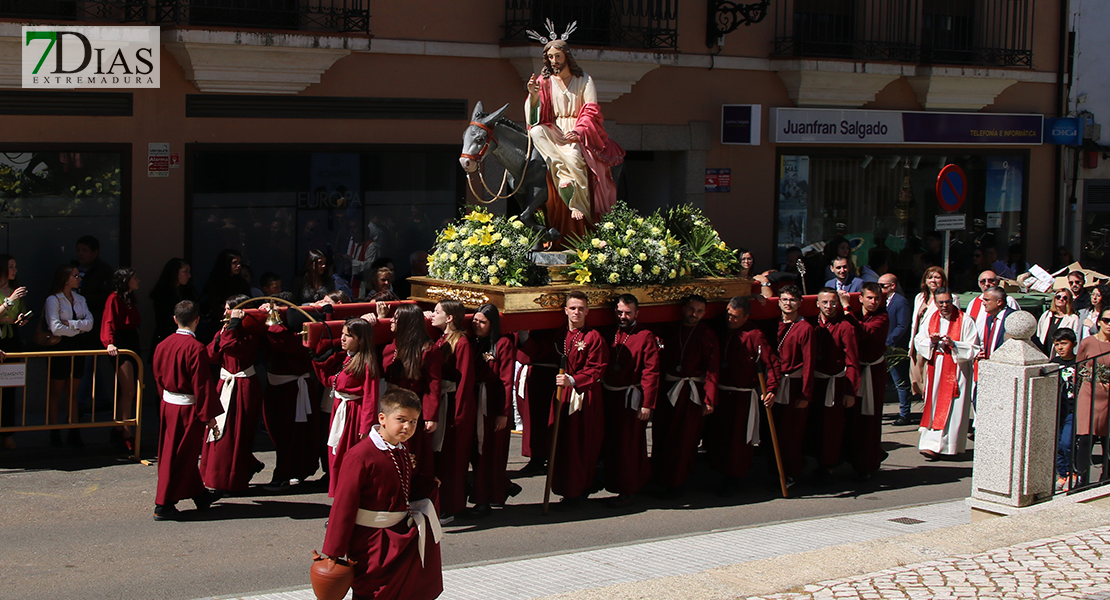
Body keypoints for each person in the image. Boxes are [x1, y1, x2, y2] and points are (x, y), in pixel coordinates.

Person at [319, 387, 443, 600]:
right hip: (371, 543)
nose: (408, 426)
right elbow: (344, 506)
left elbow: (403, 484)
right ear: (382, 418)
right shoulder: (360, 456)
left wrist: (429, 483)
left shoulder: (401, 449)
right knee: (373, 593)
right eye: (402, 419)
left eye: (414, 421)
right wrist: (333, 552)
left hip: (400, 537)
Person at [525, 32, 624, 231]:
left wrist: (579, 131)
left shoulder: (584, 80)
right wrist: (534, 95)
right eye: (550, 57)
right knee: (536, 132)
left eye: (558, 56)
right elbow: (536, 115)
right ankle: (564, 176)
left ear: (567, 56)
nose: (554, 61)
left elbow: (591, 109)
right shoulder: (545, 82)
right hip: (554, 129)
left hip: (579, 129)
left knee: (575, 154)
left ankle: (578, 203)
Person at [152, 300, 222, 521]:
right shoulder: (196, 348)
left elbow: (157, 375)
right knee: (181, 456)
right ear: (197, 320)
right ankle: (164, 503)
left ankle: (200, 496)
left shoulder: (162, 345)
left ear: (175, 319)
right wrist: (208, 416)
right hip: (187, 409)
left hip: (169, 404)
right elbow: (201, 385)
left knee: (180, 453)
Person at [708, 295, 779, 494]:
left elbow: (772, 363)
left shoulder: (754, 334)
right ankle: (721, 474)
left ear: (746, 317)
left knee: (738, 440)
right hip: (722, 392)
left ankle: (735, 478)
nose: (731, 320)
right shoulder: (722, 328)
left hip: (742, 397)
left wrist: (772, 388)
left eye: (736, 317)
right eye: (729, 315)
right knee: (720, 437)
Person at [653, 294, 718, 496]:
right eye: (691, 309)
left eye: (699, 311)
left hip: (691, 394)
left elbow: (713, 369)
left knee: (683, 439)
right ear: (683, 309)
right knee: (663, 435)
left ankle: (676, 482)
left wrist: (709, 399)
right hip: (669, 390)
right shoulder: (671, 330)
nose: (694, 314)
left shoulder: (707, 334)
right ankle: (660, 477)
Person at [548, 290, 607, 508]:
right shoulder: (560, 335)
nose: (577, 312)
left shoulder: (593, 337)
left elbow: (597, 368)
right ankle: (564, 487)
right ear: (565, 310)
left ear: (588, 311)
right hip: (562, 396)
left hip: (584, 397)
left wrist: (573, 380)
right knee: (562, 443)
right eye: (573, 308)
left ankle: (579, 489)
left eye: (581, 308)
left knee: (579, 443)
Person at [200, 294, 264, 494]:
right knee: (220, 433)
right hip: (226, 383)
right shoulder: (227, 329)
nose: (225, 313)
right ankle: (221, 476)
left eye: (229, 309)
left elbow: (235, 349)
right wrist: (222, 334)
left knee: (236, 435)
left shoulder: (250, 331)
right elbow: (211, 354)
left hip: (243, 386)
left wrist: (233, 328)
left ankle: (234, 478)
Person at [600, 294, 660, 506]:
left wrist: (647, 403)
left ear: (636, 313)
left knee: (629, 445)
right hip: (610, 396)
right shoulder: (611, 332)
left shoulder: (645, 336)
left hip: (631, 398)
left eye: (627, 313)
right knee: (611, 444)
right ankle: (613, 483)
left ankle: (629, 488)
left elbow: (651, 372)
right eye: (619, 312)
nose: (623, 316)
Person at [311, 317, 381, 497]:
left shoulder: (365, 363)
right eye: (342, 334)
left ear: (360, 340)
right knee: (335, 456)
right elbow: (332, 382)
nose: (342, 339)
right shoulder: (347, 359)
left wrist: (365, 427)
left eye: (348, 336)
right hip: (341, 411)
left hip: (354, 416)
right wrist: (318, 361)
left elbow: (370, 397)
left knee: (347, 458)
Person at [381, 304, 443, 500]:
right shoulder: (392, 344)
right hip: (389, 405)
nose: (392, 321)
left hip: (412, 410)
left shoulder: (427, 350)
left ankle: (415, 498)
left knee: (413, 455)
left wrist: (431, 416)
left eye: (396, 318)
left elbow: (433, 385)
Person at [262, 297, 324, 491]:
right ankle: (294, 472)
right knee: (286, 434)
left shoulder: (301, 338)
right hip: (282, 389)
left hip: (292, 392)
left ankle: (286, 474)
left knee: (290, 435)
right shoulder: (295, 336)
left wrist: (273, 316)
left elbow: (279, 340)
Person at [464, 304, 520, 517]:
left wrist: (504, 413)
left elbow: (507, 380)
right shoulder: (474, 341)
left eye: (483, 322)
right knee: (475, 450)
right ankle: (502, 487)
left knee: (489, 452)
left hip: (493, 404)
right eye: (475, 321)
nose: (477, 325)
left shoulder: (503, 344)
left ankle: (484, 499)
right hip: (475, 400)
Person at [914, 287, 980, 459]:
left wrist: (955, 344)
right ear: (935, 303)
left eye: (948, 302)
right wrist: (931, 341)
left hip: (957, 370)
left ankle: (949, 445)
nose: (944, 306)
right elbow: (918, 340)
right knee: (935, 404)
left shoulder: (965, 320)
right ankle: (931, 444)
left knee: (953, 407)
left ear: (953, 301)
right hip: (936, 367)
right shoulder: (931, 318)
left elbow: (974, 347)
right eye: (941, 302)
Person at [807, 288, 861, 484]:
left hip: (834, 383)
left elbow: (852, 360)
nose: (829, 307)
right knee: (814, 424)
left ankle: (829, 466)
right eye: (825, 303)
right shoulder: (812, 324)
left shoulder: (845, 327)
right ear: (817, 304)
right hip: (815, 382)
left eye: (832, 303)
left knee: (832, 427)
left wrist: (850, 391)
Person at [429, 299, 476, 522]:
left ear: (449, 318)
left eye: (437, 311)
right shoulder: (441, 339)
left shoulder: (462, 342)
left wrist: (460, 412)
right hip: (443, 402)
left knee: (452, 459)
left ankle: (453, 505)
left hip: (453, 406)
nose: (432, 314)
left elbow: (465, 380)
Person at [841, 282, 889, 479]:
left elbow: (861, 332)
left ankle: (868, 462)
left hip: (872, 372)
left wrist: (846, 308)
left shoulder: (882, 317)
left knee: (869, 418)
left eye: (877, 298)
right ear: (860, 298)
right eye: (869, 298)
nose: (873, 302)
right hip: (854, 369)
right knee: (850, 418)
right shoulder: (857, 314)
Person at [45, 264, 94, 448]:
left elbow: (89, 323)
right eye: (75, 275)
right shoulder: (53, 299)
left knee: (73, 392)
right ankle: (54, 432)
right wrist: (77, 328)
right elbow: (55, 327)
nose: (79, 278)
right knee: (56, 391)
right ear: (66, 278)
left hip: (77, 347)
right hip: (60, 348)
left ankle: (74, 431)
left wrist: (71, 325)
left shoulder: (80, 299)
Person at [771, 285, 815, 487]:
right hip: (777, 383)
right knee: (776, 431)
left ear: (800, 303)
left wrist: (805, 394)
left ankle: (791, 473)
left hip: (795, 385)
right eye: (784, 300)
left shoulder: (805, 328)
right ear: (779, 302)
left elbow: (808, 363)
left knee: (791, 433)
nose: (788, 304)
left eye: (792, 300)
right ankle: (777, 470)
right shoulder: (775, 324)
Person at [101, 267, 142, 453]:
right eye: (134, 278)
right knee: (128, 390)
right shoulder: (113, 299)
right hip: (122, 344)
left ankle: (119, 427)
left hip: (132, 341)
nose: (138, 280)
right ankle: (126, 431)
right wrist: (109, 342)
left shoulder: (128, 299)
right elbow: (108, 322)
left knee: (128, 389)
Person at [516, 327, 561, 476]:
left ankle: (544, 458)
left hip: (548, 375)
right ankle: (537, 458)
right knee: (533, 420)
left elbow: (541, 350)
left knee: (548, 420)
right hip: (535, 373)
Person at [1075, 307, 1110, 485]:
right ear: (1099, 322)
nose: (1109, 325)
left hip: (1108, 394)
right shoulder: (1088, 342)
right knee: (1085, 436)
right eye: (1106, 321)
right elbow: (1079, 365)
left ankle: (1107, 476)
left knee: (1107, 437)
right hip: (1089, 391)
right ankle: (1081, 479)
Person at [0, 254, 28, 450]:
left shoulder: (15, 291)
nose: (14, 270)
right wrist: (9, 301)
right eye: (11, 266)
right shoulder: (11, 295)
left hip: (12, 340)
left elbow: (20, 312)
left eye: (15, 266)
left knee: (9, 389)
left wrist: (20, 318)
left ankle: (8, 433)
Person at [909, 267, 948, 399]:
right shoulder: (920, 297)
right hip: (918, 345)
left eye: (937, 277)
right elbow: (914, 323)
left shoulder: (950, 298)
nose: (933, 280)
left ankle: (930, 414)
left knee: (931, 384)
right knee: (918, 382)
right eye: (930, 277)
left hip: (934, 346)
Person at [879, 274, 913, 426]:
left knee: (900, 381)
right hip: (881, 348)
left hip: (893, 348)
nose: (880, 289)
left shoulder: (900, 302)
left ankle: (904, 413)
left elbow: (902, 325)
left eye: (883, 286)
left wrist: (889, 342)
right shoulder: (881, 301)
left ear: (892, 286)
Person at [149, 258, 198, 358]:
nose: (189, 276)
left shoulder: (187, 292)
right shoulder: (162, 294)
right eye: (185, 272)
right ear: (175, 272)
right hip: (167, 339)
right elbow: (163, 319)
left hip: (187, 338)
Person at [1049, 328, 1078, 491]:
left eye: (1064, 343)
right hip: (1058, 408)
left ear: (1073, 344)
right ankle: (1063, 473)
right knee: (1058, 444)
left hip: (1073, 408)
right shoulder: (1054, 363)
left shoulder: (1079, 362)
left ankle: (1073, 470)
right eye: (1057, 344)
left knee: (1067, 442)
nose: (1060, 347)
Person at [200, 249, 251, 339]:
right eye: (234, 263)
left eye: (240, 262)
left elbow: (249, 300)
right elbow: (213, 303)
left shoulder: (241, 282)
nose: (238, 266)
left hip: (241, 321)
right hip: (219, 322)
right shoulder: (214, 282)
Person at [964, 271, 1020, 340]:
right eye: (983, 281)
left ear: (998, 282)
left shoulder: (1009, 300)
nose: (987, 284)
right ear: (978, 283)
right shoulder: (973, 303)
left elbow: (1016, 326)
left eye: (991, 281)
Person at [1035, 288, 1081, 354]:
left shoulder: (1073, 318)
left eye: (1065, 298)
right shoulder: (1047, 315)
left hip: (1060, 353)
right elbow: (1039, 334)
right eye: (1058, 297)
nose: (1061, 299)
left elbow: (1075, 338)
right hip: (1043, 351)